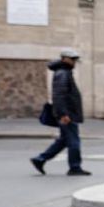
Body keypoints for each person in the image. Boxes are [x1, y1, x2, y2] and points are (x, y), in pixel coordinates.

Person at [31, 48, 90, 176]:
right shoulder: (63, 73)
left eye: (75, 59)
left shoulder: (64, 72)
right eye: (72, 59)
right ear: (64, 59)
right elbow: (59, 95)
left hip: (68, 112)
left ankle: (40, 159)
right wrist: (63, 114)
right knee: (74, 141)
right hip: (68, 114)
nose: (74, 62)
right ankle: (75, 167)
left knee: (64, 140)